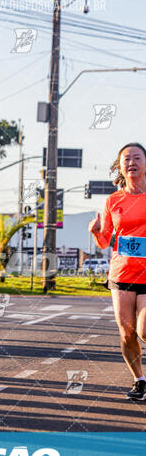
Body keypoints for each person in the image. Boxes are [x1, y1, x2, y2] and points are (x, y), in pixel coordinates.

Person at [89, 142, 146, 401]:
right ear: (120, 166)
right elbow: (105, 241)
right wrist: (96, 231)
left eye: (137, 157)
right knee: (127, 333)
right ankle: (140, 380)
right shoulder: (113, 200)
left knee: (144, 330)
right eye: (126, 159)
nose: (132, 162)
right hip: (122, 273)